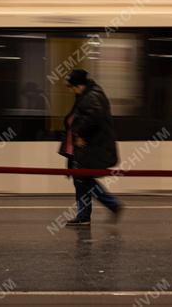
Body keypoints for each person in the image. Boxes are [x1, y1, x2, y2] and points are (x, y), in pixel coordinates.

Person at [60, 68, 122, 226]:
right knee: (80, 179)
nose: (71, 91)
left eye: (72, 87)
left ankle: (112, 204)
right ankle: (84, 216)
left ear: (79, 85)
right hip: (82, 148)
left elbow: (93, 118)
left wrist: (80, 135)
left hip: (91, 147)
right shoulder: (85, 95)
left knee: (83, 179)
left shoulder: (92, 96)